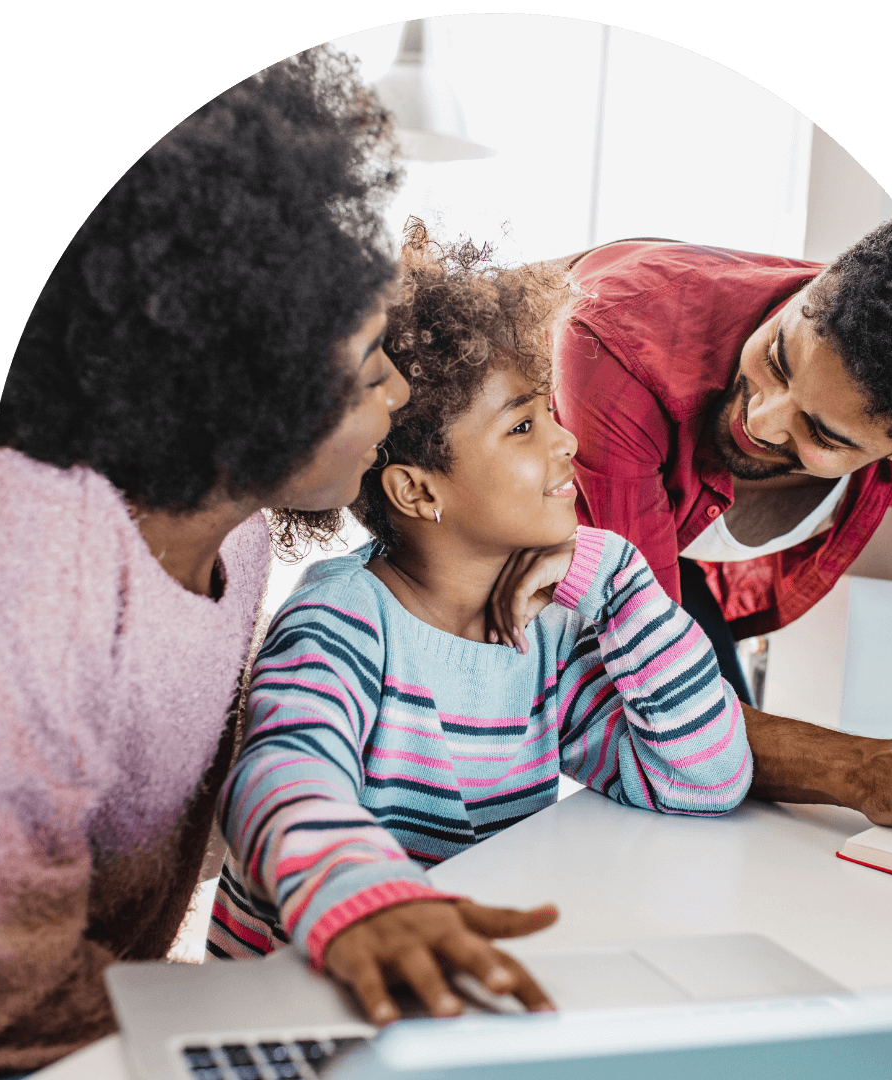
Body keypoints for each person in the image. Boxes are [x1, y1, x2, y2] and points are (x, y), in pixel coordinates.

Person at [0, 48, 413, 1078]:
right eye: (367, 372)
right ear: (240, 398)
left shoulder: (245, 539)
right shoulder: (40, 551)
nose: (400, 391)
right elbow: (2, 987)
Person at [206, 225, 753, 1024]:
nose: (568, 441)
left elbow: (704, 779)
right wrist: (367, 901)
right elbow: (279, 774)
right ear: (418, 493)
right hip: (298, 1007)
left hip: (442, 998)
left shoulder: (550, 628)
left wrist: (620, 576)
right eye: (524, 427)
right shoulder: (343, 624)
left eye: (550, 414)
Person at [552, 221, 892, 837]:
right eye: (778, 359)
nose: (761, 425)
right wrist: (867, 768)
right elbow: (652, 696)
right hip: (458, 502)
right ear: (810, 291)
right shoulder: (615, 352)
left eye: (822, 433)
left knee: (727, 809)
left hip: (654, 556)